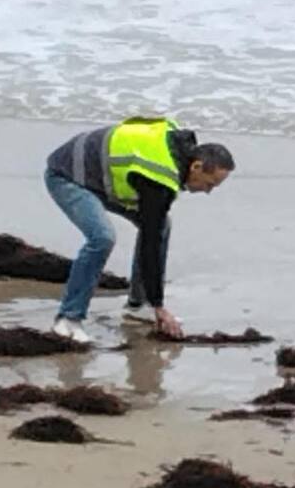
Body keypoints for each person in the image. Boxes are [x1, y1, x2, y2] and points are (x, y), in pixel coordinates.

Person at [43, 117, 234, 342]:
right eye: (209, 184)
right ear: (196, 166)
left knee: (162, 224)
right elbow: (149, 243)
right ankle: (68, 319)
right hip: (67, 176)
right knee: (102, 238)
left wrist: (154, 304)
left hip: (101, 176)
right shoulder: (159, 176)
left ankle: (137, 305)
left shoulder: (177, 153)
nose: (208, 191)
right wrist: (160, 306)